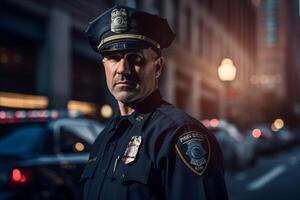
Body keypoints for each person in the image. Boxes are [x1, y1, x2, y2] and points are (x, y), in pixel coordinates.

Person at [81, 5, 228, 200]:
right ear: (104, 66)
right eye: (114, 58)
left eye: (136, 59)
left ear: (158, 67)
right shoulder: (103, 139)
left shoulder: (180, 135)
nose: (123, 69)